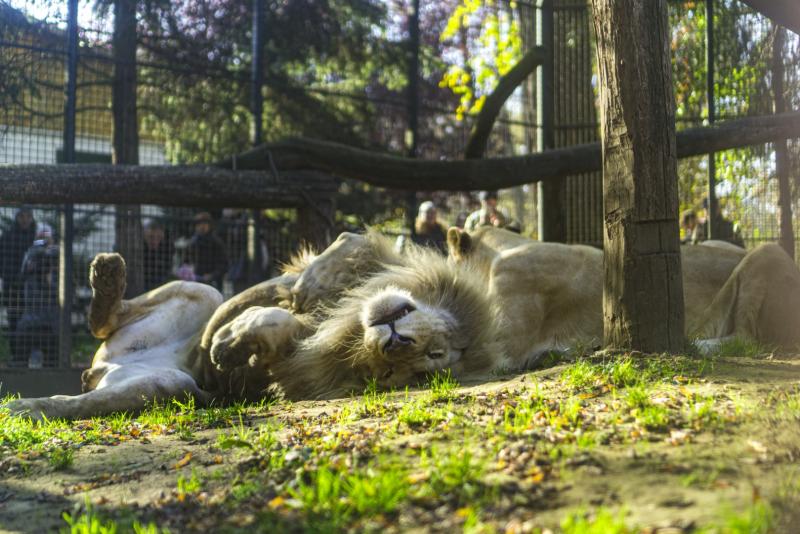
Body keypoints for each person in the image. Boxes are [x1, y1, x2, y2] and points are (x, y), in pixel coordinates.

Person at [16, 223, 60, 368]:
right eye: (40, 237)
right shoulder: (31, 253)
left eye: (46, 237)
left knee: (52, 358)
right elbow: (22, 276)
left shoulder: (57, 254)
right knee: (23, 353)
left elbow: (58, 285)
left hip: (50, 319)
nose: (43, 241)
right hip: (31, 317)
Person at [0, 206, 36, 361]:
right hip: (13, 287)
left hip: (33, 289)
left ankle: (28, 355)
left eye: (29, 216)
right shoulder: (8, 236)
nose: (26, 220)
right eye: (23, 216)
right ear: (17, 217)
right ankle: (16, 356)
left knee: (31, 322)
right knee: (14, 320)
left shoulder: (35, 235)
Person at [181, 212, 228, 291]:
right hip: (196, 281)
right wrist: (189, 273)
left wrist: (212, 275)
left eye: (205, 224)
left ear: (209, 226)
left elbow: (224, 264)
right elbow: (185, 262)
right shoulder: (192, 243)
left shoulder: (217, 243)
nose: (202, 226)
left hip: (213, 282)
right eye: (199, 224)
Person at [142, 219, 174, 291]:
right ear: (144, 235)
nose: (154, 241)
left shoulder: (167, 246)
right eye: (151, 237)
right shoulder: (139, 246)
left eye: (158, 237)